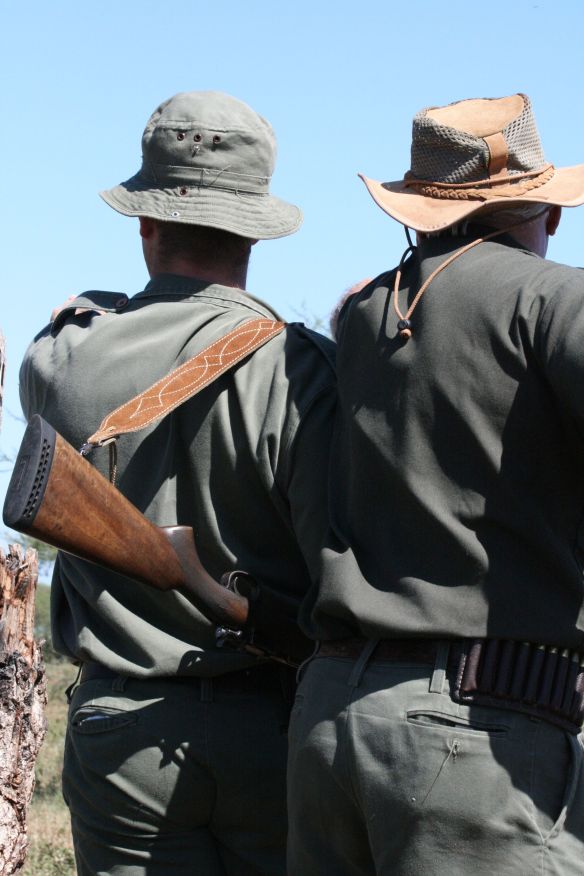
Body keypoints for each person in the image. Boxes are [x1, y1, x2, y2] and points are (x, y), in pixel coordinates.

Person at [19, 90, 335, 876]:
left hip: (121, 733)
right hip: (275, 724)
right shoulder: (308, 371)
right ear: (255, 228)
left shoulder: (62, 359)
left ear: (145, 222)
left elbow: (46, 359)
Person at [288, 93, 584, 875]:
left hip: (330, 720)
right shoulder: (555, 300)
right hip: (481, 730)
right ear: (547, 212)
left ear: (416, 214)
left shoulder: (359, 316)